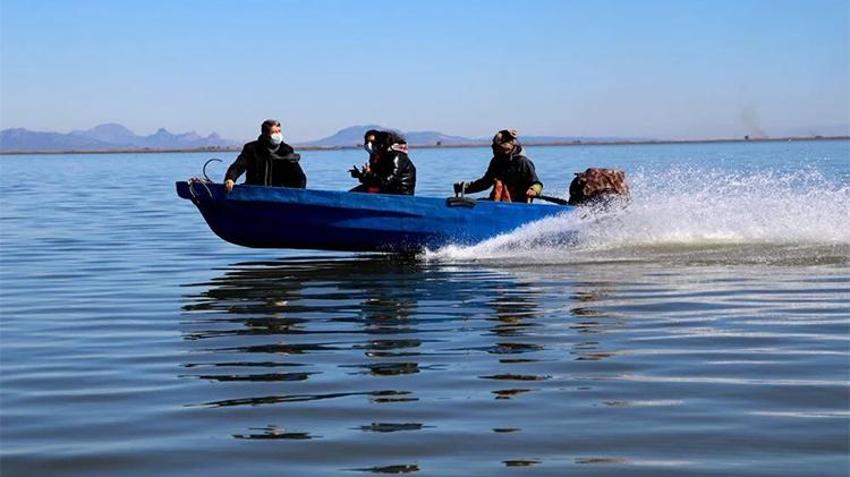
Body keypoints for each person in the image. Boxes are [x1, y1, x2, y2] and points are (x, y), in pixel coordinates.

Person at [454, 129, 542, 203]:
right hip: (497, 201)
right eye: (496, 148)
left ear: (509, 147)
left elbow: (537, 183)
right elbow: (485, 183)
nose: (497, 151)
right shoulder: (496, 162)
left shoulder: (523, 162)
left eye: (500, 148)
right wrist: (464, 188)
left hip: (518, 205)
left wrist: (534, 190)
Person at [224, 119, 306, 192]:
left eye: (279, 131)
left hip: (279, 194)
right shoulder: (252, 149)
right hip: (254, 192)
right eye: (274, 132)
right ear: (265, 134)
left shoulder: (287, 150)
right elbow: (238, 166)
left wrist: (298, 194)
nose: (278, 135)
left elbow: (300, 177)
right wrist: (230, 179)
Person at [349, 129, 416, 195]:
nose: (369, 145)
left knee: (360, 192)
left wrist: (370, 173)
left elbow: (386, 181)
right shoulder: (377, 157)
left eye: (373, 142)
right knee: (353, 193)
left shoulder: (396, 156)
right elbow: (374, 181)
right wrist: (361, 175)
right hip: (385, 190)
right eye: (367, 142)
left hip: (399, 193)